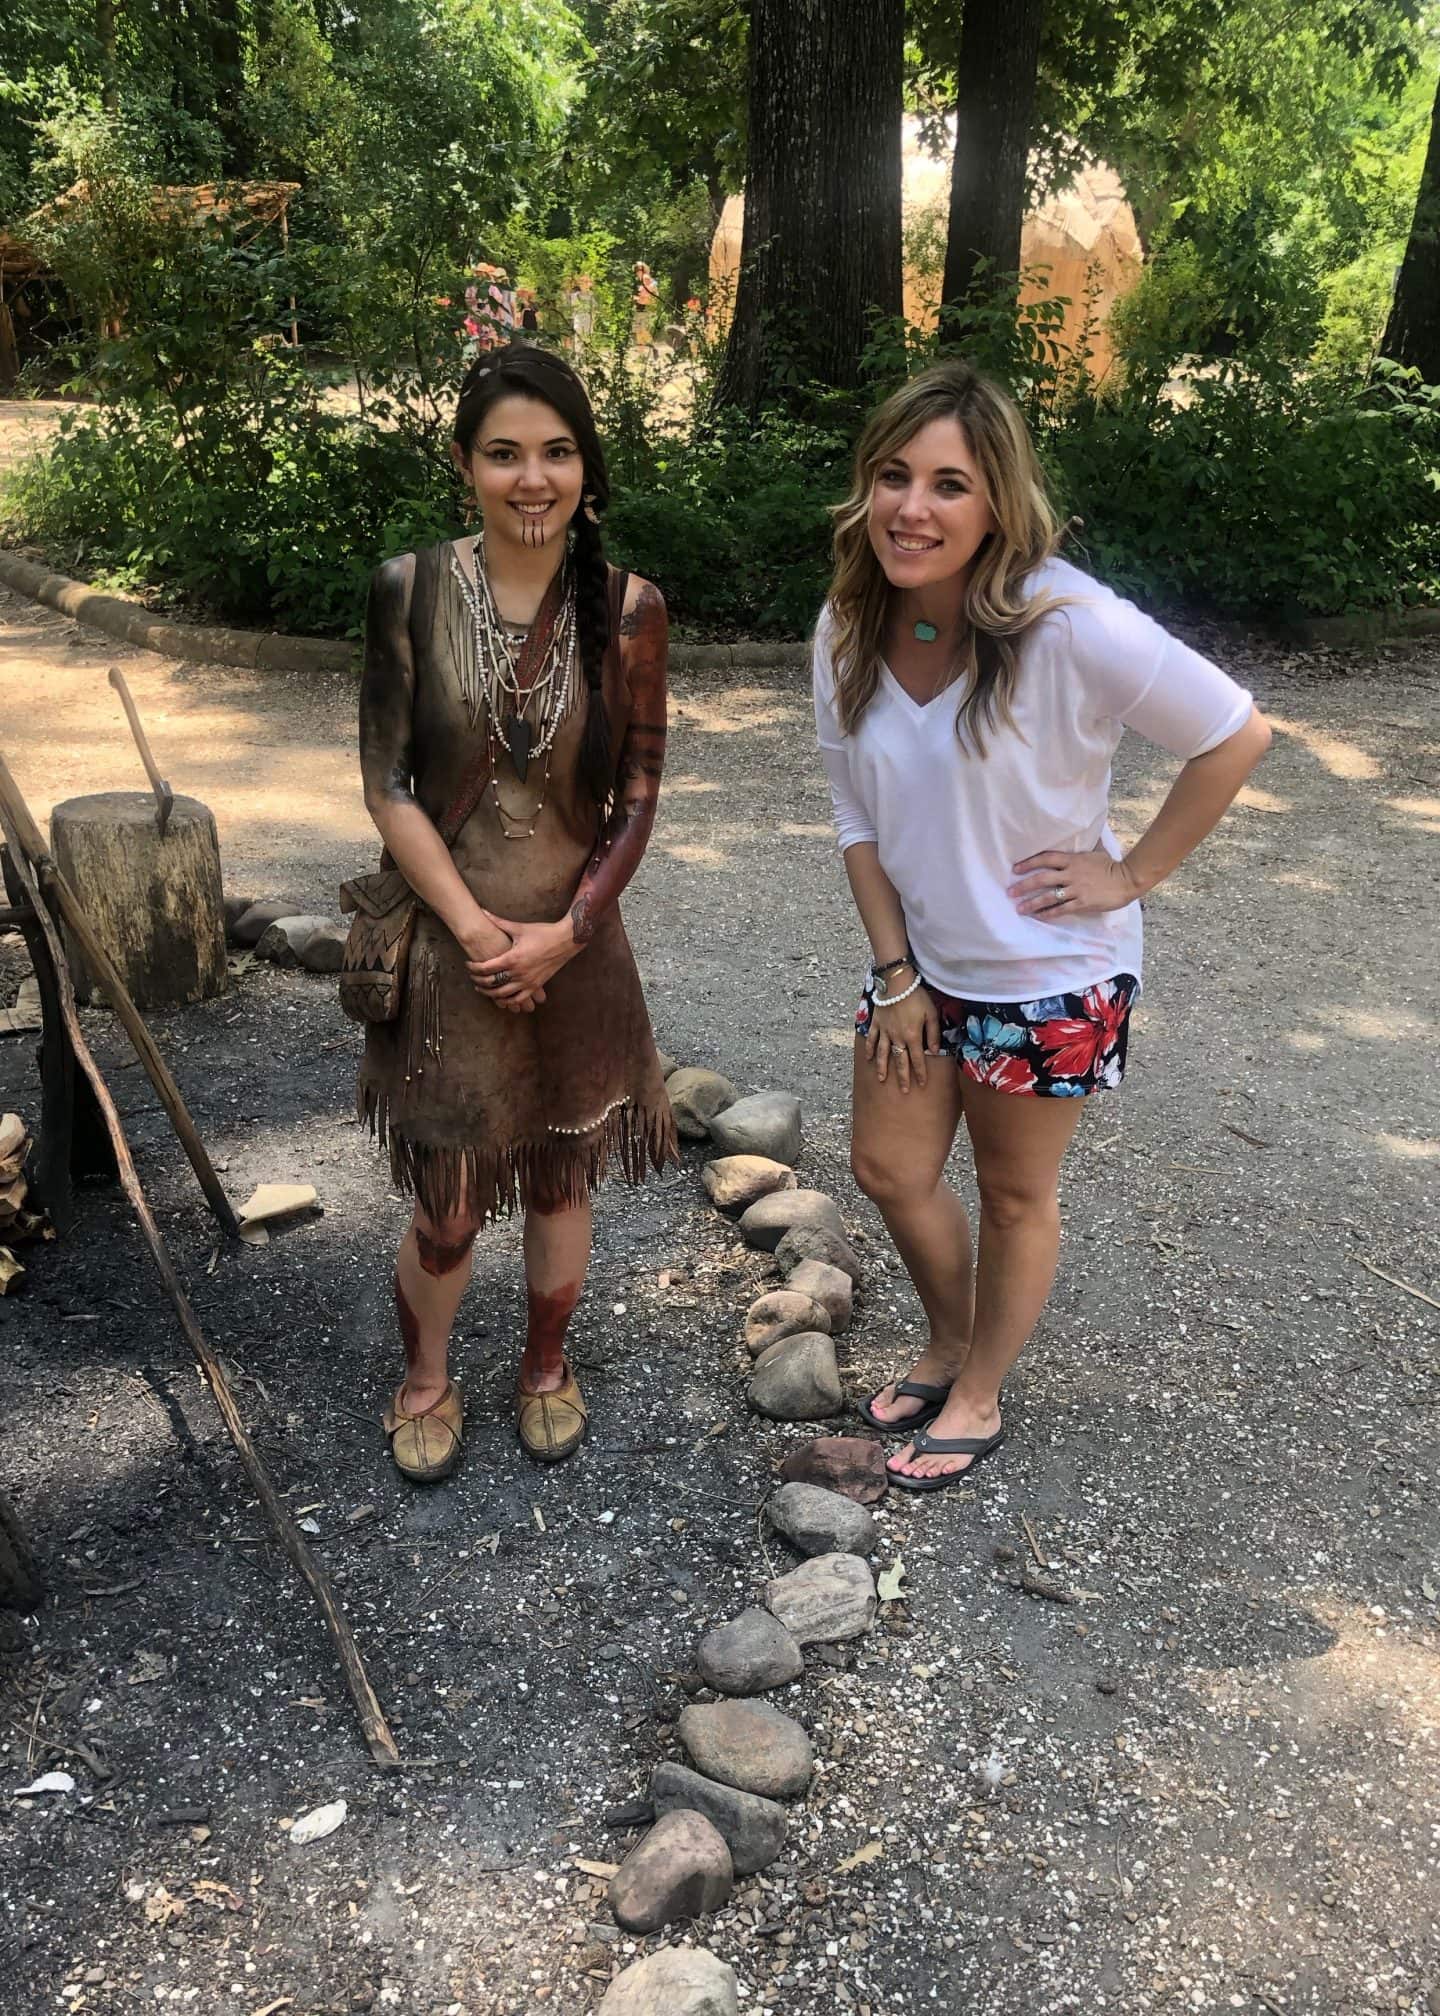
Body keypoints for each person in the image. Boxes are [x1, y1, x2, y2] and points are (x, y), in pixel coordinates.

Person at [813, 360, 1271, 1493]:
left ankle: (977, 1391)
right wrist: (896, 971)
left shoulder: (1068, 625)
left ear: (998, 504)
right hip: (919, 971)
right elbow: (854, 817)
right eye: (893, 475)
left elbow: (1236, 732)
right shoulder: (848, 623)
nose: (912, 508)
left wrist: (1131, 873)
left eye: (949, 484)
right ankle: (949, 1336)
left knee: (1015, 1195)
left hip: (1048, 977)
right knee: (890, 1170)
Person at [357, 345, 675, 1483]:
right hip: (456, 950)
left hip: (580, 949)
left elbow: (638, 796)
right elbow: (387, 784)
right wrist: (477, 927)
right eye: (504, 455)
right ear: (465, 465)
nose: (531, 478)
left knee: (559, 1175)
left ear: (587, 467)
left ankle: (546, 1363)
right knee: (447, 1200)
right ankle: (426, 1377)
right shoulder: (409, 589)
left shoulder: (630, 609)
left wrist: (567, 932)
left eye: (556, 452)